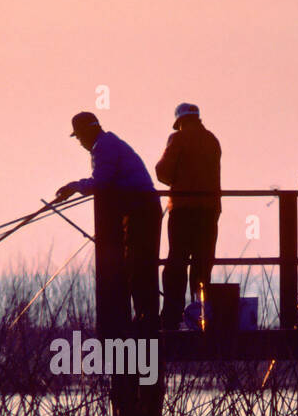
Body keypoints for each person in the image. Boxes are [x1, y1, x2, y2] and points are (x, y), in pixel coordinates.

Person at [55, 112, 162, 338]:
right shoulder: (109, 143)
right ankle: (145, 315)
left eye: (79, 137)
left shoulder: (103, 147)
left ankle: (146, 317)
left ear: (86, 133)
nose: (80, 142)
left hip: (140, 210)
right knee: (139, 264)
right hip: (140, 209)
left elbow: (101, 182)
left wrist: (75, 186)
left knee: (138, 264)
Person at [154, 103, 221, 329]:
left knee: (176, 263)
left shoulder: (178, 139)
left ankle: (172, 315)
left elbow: (163, 171)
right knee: (203, 263)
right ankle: (202, 315)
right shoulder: (212, 140)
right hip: (209, 211)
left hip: (183, 210)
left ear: (179, 121)